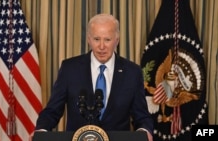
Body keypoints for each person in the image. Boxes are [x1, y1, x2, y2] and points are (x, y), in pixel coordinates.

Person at [34, 13, 153, 141]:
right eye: (96, 39)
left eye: (107, 40)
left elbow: (141, 116)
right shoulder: (70, 69)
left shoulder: (132, 72)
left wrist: (144, 132)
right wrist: (40, 132)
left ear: (117, 40)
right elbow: (52, 111)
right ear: (89, 39)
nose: (101, 46)